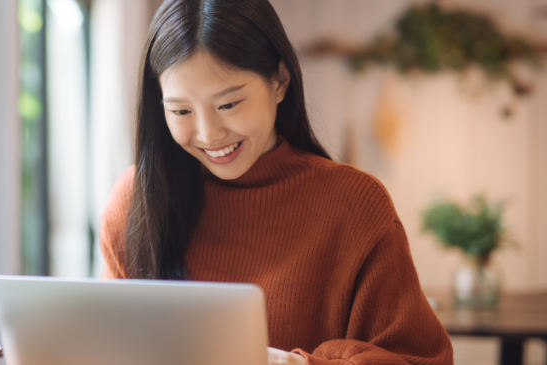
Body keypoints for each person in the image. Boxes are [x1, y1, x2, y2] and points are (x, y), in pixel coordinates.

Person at [98, 1, 453, 364]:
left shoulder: (354, 205)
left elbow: (422, 360)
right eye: (181, 111)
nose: (208, 134)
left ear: (280, 81)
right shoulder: (134, 202)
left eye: (229, 104)